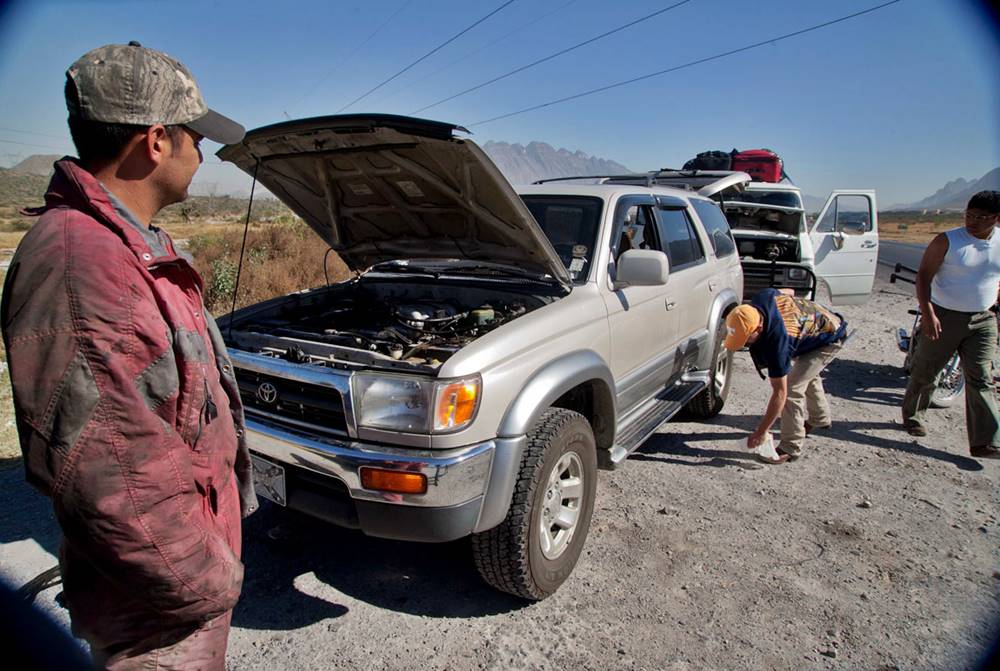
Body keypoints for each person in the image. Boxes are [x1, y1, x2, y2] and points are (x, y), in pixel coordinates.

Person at [0, 42, 257, 669]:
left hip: (169, 590)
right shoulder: (84, 267)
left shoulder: (131, 247)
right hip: (159, 615)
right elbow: (114, 476)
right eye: (195, 134)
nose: (204, 151)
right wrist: (210, 581)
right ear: (156, 141)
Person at [901, 190, 1000, 459]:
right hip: (944, 316)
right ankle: (913, 416)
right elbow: (923, 277)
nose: (973, 221)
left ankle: (986, 441)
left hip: (983, 319)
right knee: (927, 369)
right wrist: (928, 312)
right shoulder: (948, 241)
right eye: (969, 214)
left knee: (981, 377)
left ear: (996, 218)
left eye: (981, 217)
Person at [724, 288, 848, 463]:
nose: (745, 344)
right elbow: (788, 291)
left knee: (792, 388)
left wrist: (761, 432)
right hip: (813, 331)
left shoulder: (778, 343)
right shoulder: (762, 298)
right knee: (806, 375)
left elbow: (780, 394)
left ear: (759, 327)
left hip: (830, 337)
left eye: (747, 338)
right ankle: (820, 419)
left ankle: (791, 447)